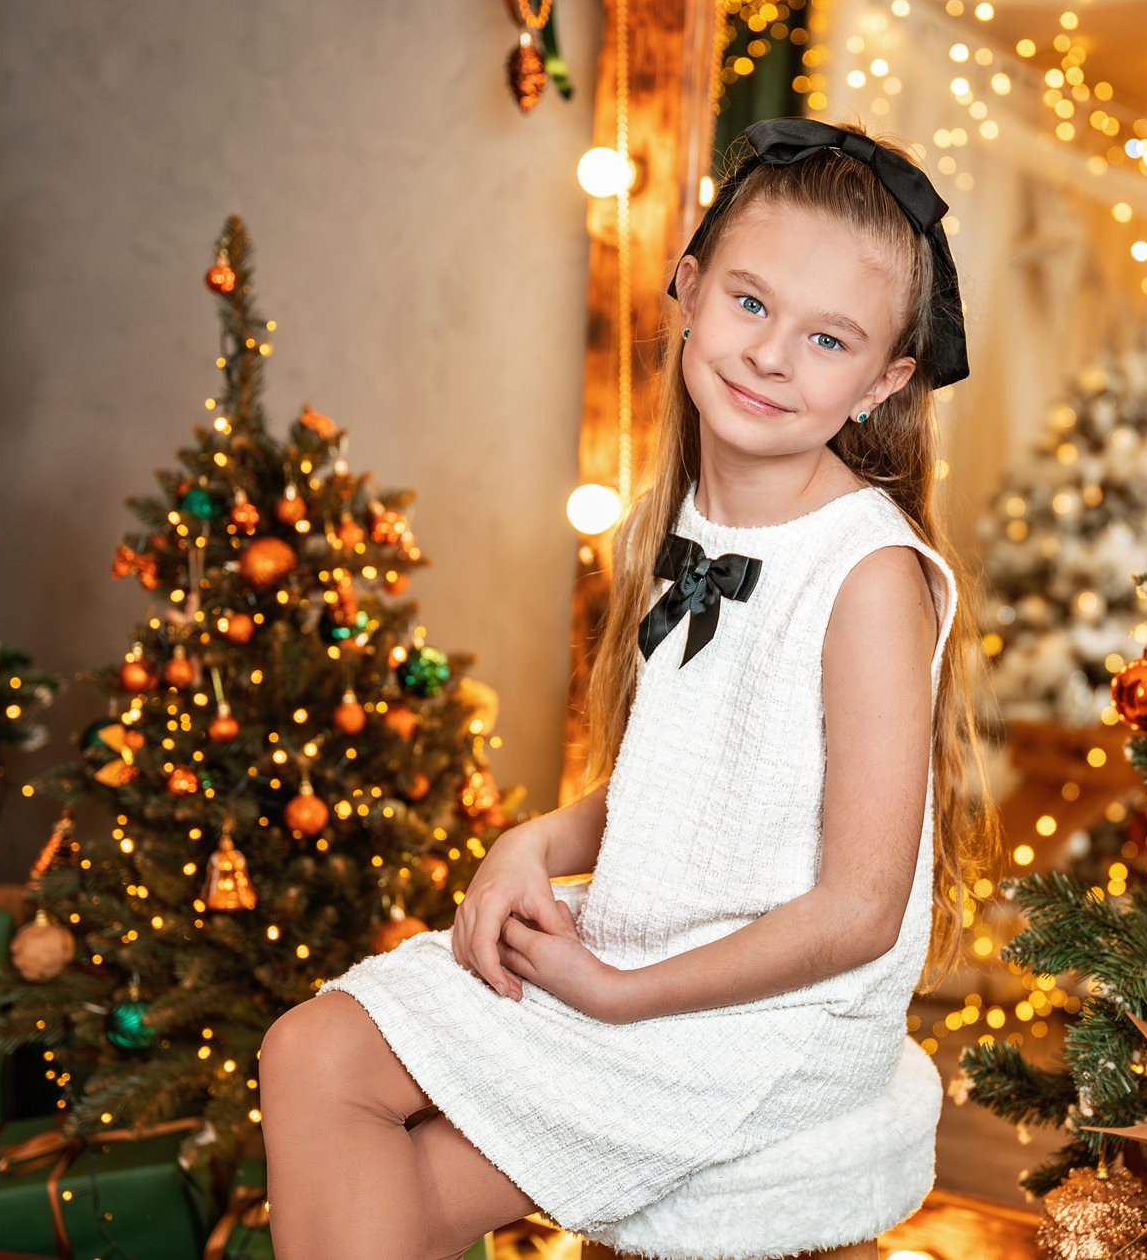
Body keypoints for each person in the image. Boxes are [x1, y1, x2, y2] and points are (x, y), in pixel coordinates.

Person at [258, 116, 1001, 1260]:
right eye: (750, 303)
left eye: (827, 338)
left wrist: (617, 993)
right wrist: (532, 841)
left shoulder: (866, 575)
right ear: (688, 288)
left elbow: (859, 910)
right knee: (314, 1057)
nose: (771, 354)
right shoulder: (682, 522)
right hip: (651, 946)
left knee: (365, 1131)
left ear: (885, 380)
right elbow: (698, 789)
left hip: (769, 1019)